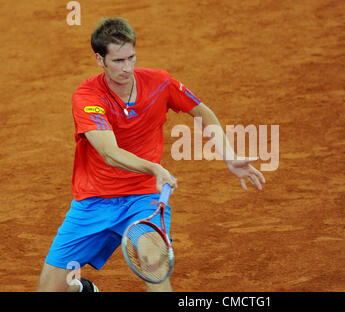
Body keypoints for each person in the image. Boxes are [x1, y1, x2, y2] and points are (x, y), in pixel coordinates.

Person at [36, 17, 265, 292]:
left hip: (143, 197)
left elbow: (202, 112)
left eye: (131, 57)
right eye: (118, 61)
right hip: (93, 200)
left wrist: (228, 154)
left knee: (154, 263)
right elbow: (110, 153)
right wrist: (155, 168)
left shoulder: (159, 82)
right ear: (100, 60)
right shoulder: (88, 96)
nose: (128, 68)